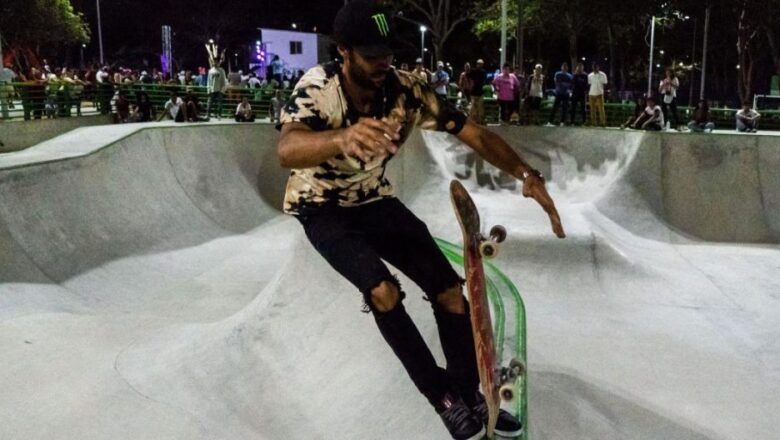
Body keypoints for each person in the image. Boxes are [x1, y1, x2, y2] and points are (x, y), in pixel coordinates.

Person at [276, 2, 565, 439]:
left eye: (388, 54)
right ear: (344, 52)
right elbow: (287, 149)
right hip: (321, 208)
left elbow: (476, 135)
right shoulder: (317, 89)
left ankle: (469, 396)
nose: (383, 65)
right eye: (372, 57)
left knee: (449, 291)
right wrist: (341, 137)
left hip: (374, 202)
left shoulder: (407, 90)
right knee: (383, 291)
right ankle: (442, 397)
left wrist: (526, 175)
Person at [206, 45, 228, 120]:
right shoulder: (210, 71)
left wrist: (222, 90)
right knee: (209, 103)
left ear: (218, 62)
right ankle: (208, 114)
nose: (214, 63)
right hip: (212, 89)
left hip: (219, 90)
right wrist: (208, 89)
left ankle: (219, 115)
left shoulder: (221, 70)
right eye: (214, 61)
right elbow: (208, 81)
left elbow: (223, 80)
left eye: (216, 62)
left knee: (219, 103)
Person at [466, 59, 487, 125]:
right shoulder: (473, 71)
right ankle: (472, 121)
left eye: (481, 64)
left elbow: (484, 80)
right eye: (479, 64)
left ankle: (480, 121)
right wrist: (470, 84)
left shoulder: (483, 72)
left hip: (480, 92)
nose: (480, 65)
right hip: (473, 92)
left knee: (480, 107)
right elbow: (467, 75)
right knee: (473, 107)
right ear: (477, 64)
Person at [587, 63, 608, 127]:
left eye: (596, 67)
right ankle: (593, 123)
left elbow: (605, 83)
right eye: (593, 68)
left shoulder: (603, 74)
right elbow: (589, 84)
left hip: (599, 93)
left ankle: (603, 123)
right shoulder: (590, 75)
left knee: (601, 109)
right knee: (592, 109)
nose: (594, 69)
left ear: (598, 67)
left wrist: (601, 90)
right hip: (591, 94)